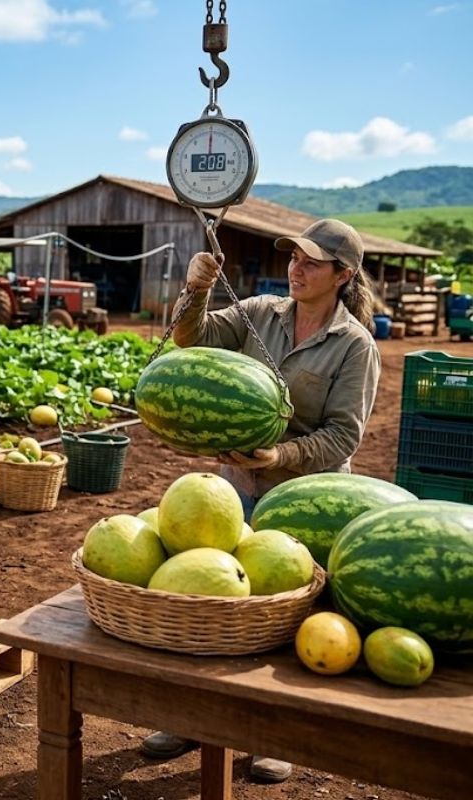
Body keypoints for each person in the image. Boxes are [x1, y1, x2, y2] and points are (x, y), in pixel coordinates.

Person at [140, 219, 381, 783]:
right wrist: (196, 288)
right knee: (215, 611)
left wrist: (280, 457)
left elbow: (345, 436)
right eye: (294, 257)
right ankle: (192, 718)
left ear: (342, 275)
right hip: (234, 495)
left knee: (290, 621)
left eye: (312, 262)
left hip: (305, 498)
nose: (296, 268)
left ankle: (276, 735)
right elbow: (189, 339)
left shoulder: (354, 346)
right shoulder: (259, 313)